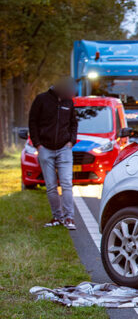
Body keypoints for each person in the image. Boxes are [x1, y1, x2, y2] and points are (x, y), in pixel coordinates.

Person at [28, 76, 78, 230]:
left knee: (66, 183)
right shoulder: (41, 100)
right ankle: (57, 217)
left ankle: (69, 217)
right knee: (50, 186)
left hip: (64, 148)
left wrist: (71, 141)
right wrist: (38, 144)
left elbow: (73, 123)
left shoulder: (69, 102)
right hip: (45, 148)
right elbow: (32, 122)